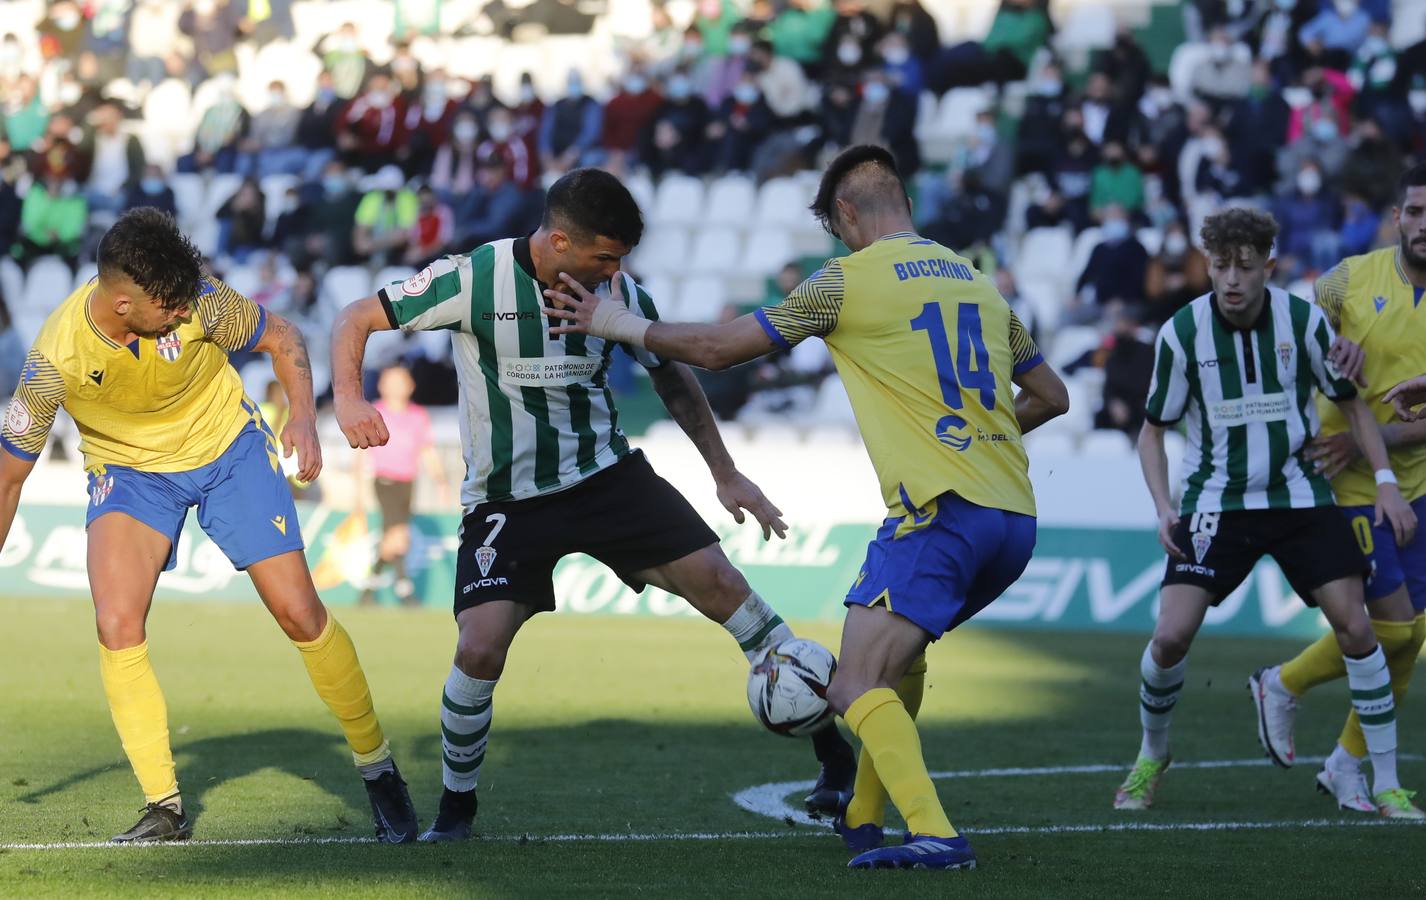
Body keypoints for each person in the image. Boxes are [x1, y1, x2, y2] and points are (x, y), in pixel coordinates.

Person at [540, 145, 1071, 871]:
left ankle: (937, 834)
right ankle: (862, 815)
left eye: (837, 228)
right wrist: (984, 437)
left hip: (938, 512)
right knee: (896, 658)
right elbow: (1052, 397)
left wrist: (614, 322)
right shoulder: (979, 284)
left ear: (847, 214)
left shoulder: (846, 281)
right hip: (1012, 517)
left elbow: (721, 349)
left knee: (852, 685)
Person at [328, 168, 857, 843]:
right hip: (508, 499)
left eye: (622, 259)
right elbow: (357, 316)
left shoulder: (622, 293)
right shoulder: (472, 279)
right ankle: (457, 810)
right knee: (481, 647)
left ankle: (833, 753)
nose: (617, 270)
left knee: (726, 587)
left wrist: (725, 474)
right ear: (557, 242)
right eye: (605, 256)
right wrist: (348, 395)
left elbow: (672, 377)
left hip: (607, 478)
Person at [0, 209, 419, 843]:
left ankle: (378, 767)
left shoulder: (201, 302)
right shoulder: (53, 360)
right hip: (131, 470)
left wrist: (303, 417)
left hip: (229, 448)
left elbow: (284, 338)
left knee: (300, 614)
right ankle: (164, 806)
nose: (178, 314)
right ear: (119, 304)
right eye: (165, 307)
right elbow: (9, 478)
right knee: (116, 621)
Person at [1112, 206, 1417, 817]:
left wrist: (1384, 480)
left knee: (1360, 629)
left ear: (1268, 268)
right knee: (1170, 636)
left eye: (1244, 267)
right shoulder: (1181, 333)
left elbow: (1353, 406)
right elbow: (1152, 432)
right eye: (1220, 266)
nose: (1230, 279)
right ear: (1208, 265)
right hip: (1215, 503)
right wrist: (1163, 506)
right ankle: (1152, 755)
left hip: (1300, 496)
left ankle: (1385, 782)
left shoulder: (1303, 321)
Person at [1251, 166, 1426, 819]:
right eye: (1414, 212)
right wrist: (1328, 357)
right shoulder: (1348, 278)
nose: (1423, 225)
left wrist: (1370, 437)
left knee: (1410, 637)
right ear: (1397, 217)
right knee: (1391, 628)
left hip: (1415, 482)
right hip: (1342, 480)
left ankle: (1342, 761)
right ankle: (1287, 688)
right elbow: (1288, 339)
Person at [354, 364, 448, 607]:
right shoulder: (375, 412)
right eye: (391, 381)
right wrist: (359, 491)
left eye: (401, 381)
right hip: (385, 480)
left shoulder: (418, 416)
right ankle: (404, 589)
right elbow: (362, 454)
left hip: (408, 482)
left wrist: (441, 482)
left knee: (393, 536)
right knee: (398, 535)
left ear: (411, 386)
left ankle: (369, 588)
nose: (396, 387)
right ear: (382, 385)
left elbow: (427, 451)